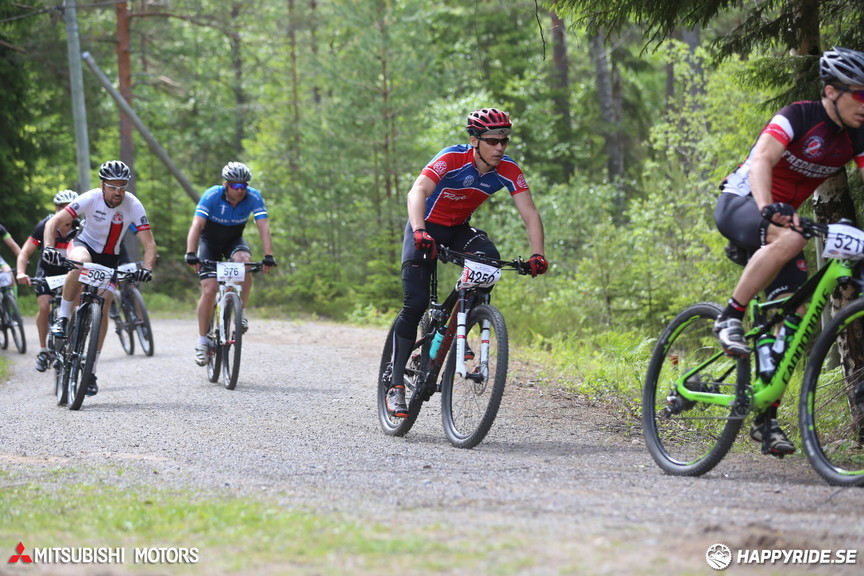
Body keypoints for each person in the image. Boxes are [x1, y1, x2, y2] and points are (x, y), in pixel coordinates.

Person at [712, 46, 864, 455]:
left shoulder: (856, 135)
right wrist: (768, 209)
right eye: (860, 94)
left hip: (784, 222)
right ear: (832, 91)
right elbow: (762, 159)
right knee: (791, 237)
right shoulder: (798, 115)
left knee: (793, 315)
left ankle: (766, 417)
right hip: (744, 201)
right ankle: (729, 318)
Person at [385, 107, 548, 417]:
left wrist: (538, 254)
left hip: (458, 230)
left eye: (504, 141)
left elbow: (530, 212)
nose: (500, 147)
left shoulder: (508, 169)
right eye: (492, 141)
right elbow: (417, 191)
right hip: (424, 226)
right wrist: (419, 230)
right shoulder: (451, 159)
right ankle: (395, 385)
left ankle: (457, 324)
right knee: (416, 302)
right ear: (475, 140)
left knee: (489, 261)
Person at [44, 161, 158, 396]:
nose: (118, 192)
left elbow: (149, 243)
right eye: (113, 186)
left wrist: (146, 268)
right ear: (102, 185)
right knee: (79, 263)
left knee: (104, 306)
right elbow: (54, 221)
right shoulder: (91, 197)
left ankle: (91, 370)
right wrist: (49, 247)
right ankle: (63, 317)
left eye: (122, 187)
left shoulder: (133, 204)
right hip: (84, 245)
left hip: (109, 257)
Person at [184, 162, 276, 366]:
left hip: (234, 241)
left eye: (244, 186)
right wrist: (191, 253)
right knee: (209, 290)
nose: (241, 190)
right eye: (236, 186)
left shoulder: (253, 196)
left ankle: (240, 310)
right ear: (226, 185)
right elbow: (197, 224)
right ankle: (201, 341)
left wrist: (268, 255)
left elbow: (263, 226)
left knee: (245, 265)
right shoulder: (212, 195)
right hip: (210, 243)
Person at [16, 190, 80, 372]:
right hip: (47, 272)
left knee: (76, 303)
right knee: (44, 306)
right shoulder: (45, 225)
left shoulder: (81, 227)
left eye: (69, 206)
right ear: (56, 208)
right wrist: (21, 272)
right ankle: (43, 350)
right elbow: (25, 252)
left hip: (69, 272)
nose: (65, 209)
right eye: (61, 206)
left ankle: (74, 340)